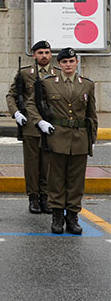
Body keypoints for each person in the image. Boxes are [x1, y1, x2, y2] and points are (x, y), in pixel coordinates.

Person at [31, 48, 97, 235]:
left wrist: (92, 138)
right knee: (56, 179)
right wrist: (40, 122)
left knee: (76, 181)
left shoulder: (87, 85)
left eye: (71, 61)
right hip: (57, 137)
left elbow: (91, 114)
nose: (68, 65)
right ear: (59, 64)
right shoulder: (48, 84)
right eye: (64, 62)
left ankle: (73, 217)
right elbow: (31, 104)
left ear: (76, 63)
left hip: (80, 138)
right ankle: (57, 216)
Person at [5, 40, 56, 214]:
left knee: (48, 165)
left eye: (47, 52)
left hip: (51, 126)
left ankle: (46, 196)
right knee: (32, 165)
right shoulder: (25, 73)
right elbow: (11, 95)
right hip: (31, 127)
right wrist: (16, 113)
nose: (44, 56)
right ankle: (33, 197)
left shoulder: (57, 73)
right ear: (34, 55)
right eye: (40, 52)